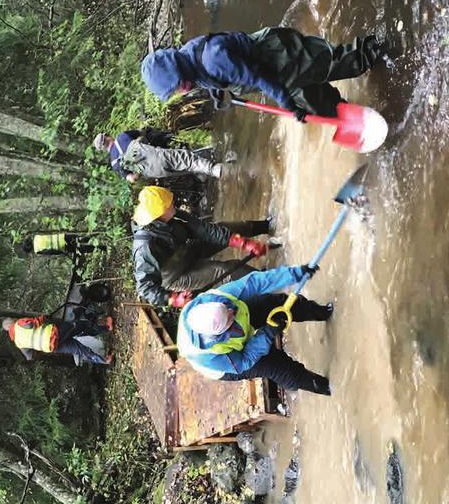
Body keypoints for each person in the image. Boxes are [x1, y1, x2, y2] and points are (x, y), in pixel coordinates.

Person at [140, 27, 399, 120]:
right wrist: (217, 91)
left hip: (279, 55)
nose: (179, 91)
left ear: (176, 69)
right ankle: (366, 117)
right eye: (174, 91)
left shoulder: (212, 58)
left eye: (176, 86)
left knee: (337, 63)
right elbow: (211, 77)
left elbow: (260, 79)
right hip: (271, 73)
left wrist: (286, 103)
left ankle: (385, 49)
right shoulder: (190, 66)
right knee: (320, 106)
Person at [176, 264, 333, 395]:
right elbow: (244, 359)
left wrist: (294, 274)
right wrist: (267, 333)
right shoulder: (209, 357)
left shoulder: (217, 299)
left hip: (232, 325)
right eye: (229, 317)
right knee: (280, 368)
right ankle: (330, 388)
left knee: (276, 304)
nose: (232, 312)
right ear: (221, 333)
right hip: (235, 362)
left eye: (228, 309)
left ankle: (325, 312)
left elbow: (256, 282)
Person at [132, 185, 271, 308]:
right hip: (176, 275)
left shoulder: (173, 214)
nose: (172, 203)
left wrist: (244, 243)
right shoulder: (145, 247)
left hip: (188, 249)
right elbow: (144, 287)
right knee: (224, 271)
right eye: (168, 204)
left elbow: (204, 229)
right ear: (158, 214)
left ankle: (268, 225)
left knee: (225, 229)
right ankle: (269, 283)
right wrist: (173, 299)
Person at [93, 129, 221, 182]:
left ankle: (202, 174)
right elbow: (143, 133)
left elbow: (133, 178)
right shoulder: (122, 137)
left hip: (154, 172)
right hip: (157, 156)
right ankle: (213, 169)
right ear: (108, 137)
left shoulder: (114, 164)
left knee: (183, 169)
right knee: (186, 159)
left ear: (103, 149)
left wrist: (138, 170)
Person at [2, 314, 113, 366]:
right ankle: (107, 327)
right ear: (13, 320)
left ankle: (105, 361)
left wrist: (41, 348)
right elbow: (32, 323)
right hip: (55, 334)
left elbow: (30, 356)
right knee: (78, 325)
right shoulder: (18, 324)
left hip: (53, 347)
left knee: (79, 350)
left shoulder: (18, 343)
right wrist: (42, 317)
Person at [17, 232, 104, 261]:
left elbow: (51, 251)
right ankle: (100, 234)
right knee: (82, 238)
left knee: (82, 249)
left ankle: (102, 248)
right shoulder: (36, 236)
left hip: (63, 246)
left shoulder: (37, 250)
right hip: (62, 236)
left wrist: (61, 252)